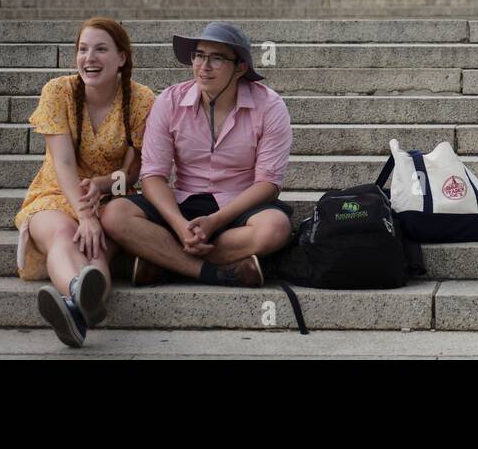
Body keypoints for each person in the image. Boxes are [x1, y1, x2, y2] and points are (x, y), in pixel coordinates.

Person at [100, 22, 294, 291]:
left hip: (239, 205)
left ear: (239, 68)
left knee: (275, 228)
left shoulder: (269, 106)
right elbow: (153, 175)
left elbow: (268, 183)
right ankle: (216, 273)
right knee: (114, 214)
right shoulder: (170, 101)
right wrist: (179, 226)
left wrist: (215, 221)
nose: (204, 66)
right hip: (183, 202)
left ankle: (164, 260)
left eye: (216, 58)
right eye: (199, 55)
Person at [15, 18, 156, 348]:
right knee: (66, 234)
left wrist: (104, 187)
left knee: (95, 252)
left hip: (108, 199)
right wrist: (86, 215)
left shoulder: (140, 100)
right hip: (55, 191)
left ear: (122, 57)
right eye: (82, 49)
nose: (89, 58)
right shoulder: (58, 92)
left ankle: (74, 309)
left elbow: (134, 171)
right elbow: (62, 163)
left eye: (101, 49)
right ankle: (80, 294)